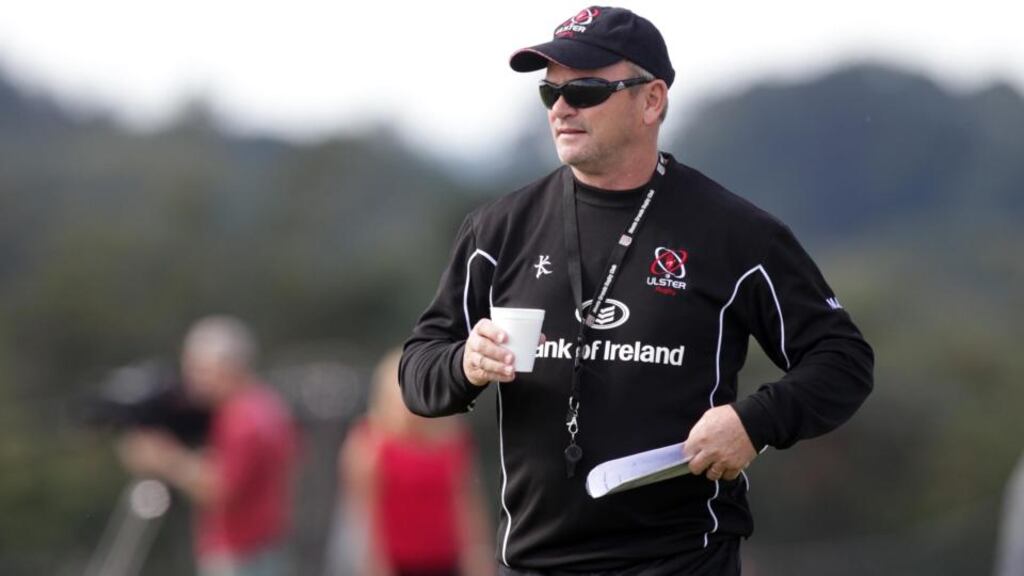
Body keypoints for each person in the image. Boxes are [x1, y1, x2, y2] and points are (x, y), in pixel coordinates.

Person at [399, 5, 875, 575]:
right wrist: (463, 363)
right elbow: (417, 373)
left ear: (651, 101)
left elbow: (843, 359)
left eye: (586, 90)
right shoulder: (497, 229)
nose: (563, 109)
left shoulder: (736, 234)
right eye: (550, 94)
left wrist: (754, 422)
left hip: (680, 562)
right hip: (533, 563)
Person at [118, 315, 297, 576]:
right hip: (267, 544)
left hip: (240, 552)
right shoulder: (267, 405)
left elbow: (221, 489)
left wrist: (164, 458)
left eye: (200, 369)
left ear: (229, 367)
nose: (192, 381)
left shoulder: (240, 419)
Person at [338, 348, 495, 576]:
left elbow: (466, 505)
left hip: (447, 561)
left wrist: (477, 556)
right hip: (397, 563)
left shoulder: (452, 438)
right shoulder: (369, 443)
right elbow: (362, 516)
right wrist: (373, 566)